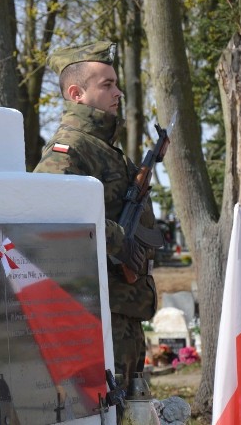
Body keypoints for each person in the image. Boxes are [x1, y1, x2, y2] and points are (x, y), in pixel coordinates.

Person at [34, 41, 157, 410]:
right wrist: (122, 243)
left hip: (122, 311)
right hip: (96, 314)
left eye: (116, 83)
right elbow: (52, 209)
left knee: (131, 412)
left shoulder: (105, 148)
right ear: (77, 93)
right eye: (106, 84)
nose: (118, 92)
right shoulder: (70, 147)